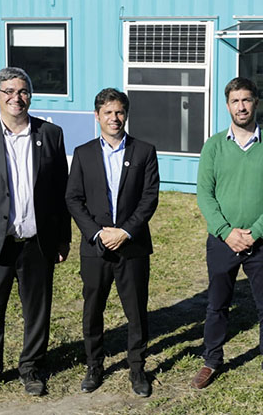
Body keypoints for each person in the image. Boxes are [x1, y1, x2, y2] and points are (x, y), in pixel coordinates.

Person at [0, 67, 71, 401]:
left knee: (38, 310)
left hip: (37, 241)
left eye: (21, 91)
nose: (15, 97)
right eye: (8, 91)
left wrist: (63, 238)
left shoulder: (51, 134)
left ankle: (31, 368)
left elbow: (60, 191)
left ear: (30, 96)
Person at [192, 77, 263, 396]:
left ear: (256, 103)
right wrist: (226, 232)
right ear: (227, 105)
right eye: (235, 101)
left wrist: (256, 233)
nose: (241, 106)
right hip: (223, 241)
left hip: (261, 244)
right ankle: (211, 360)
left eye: (246, 100)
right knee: (217, 305)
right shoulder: (214, 146)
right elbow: (205, 194)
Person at [65, 88, 159, 397]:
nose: (114, 118)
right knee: (93, 308)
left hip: (131, 246)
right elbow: (73, 199)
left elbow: (149, 199)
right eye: (108, 113)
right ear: (97, 116)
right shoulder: (83, 153)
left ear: (126, 114)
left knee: (136, 310)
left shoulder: (144, 151)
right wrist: (97, 232)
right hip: (95, 247)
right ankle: (94, 365)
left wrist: (125, 231)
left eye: (119, 112)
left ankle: (137, 367)